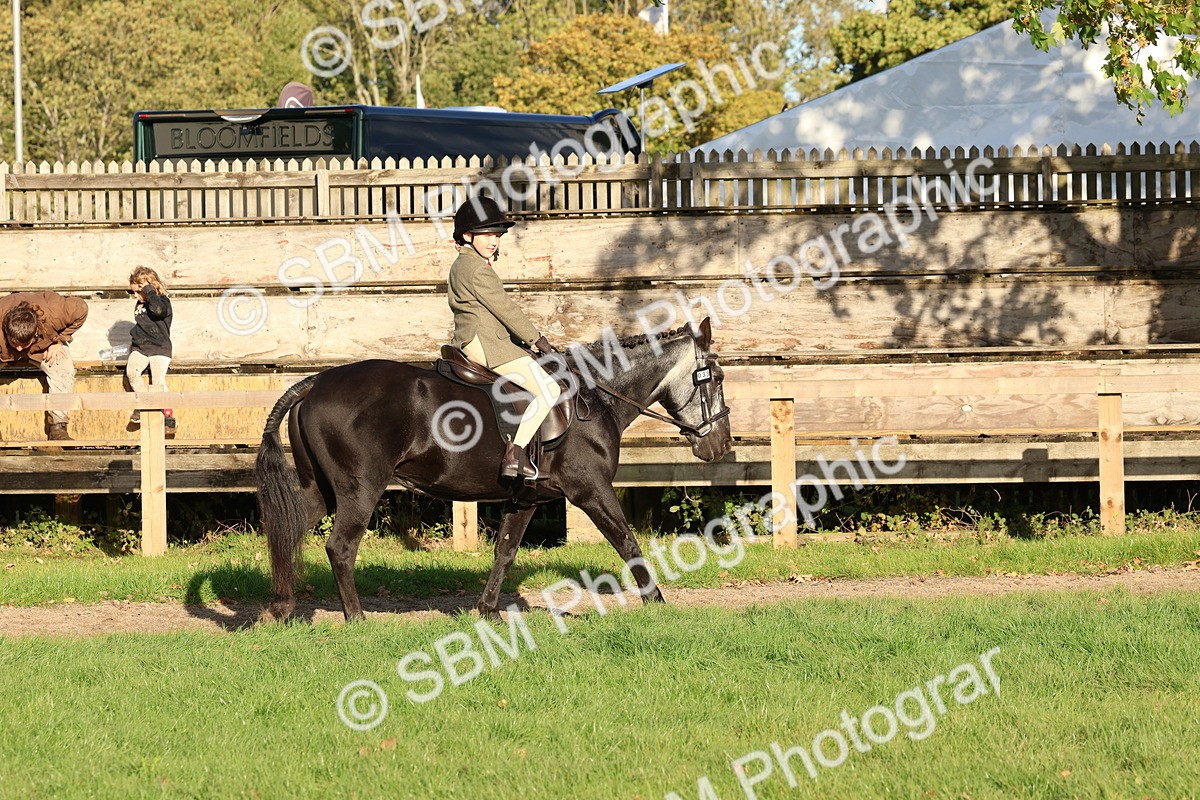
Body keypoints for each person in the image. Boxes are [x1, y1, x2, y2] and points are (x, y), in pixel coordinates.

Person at [447, 195, 560, 481]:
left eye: (496, 235)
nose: (493, 241)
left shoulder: (464, 264)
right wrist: (538, 340)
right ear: (467, 235)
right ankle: (515, 455)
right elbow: (506, 309)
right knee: (550, 391)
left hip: (477, 337)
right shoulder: (476, 269)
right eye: (486, 234)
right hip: (486, 342)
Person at [0, 291, 89, 441]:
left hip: (43, 348)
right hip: (3, 351)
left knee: (63, 368)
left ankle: (58, 427)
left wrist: (59, 340)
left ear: (35, 332)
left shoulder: (55, 312)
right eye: (15, 343)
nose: (20, 349)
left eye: (24, 344)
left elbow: (82, 308)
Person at [125, 267, 175, 434]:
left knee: (158, 381)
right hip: (141, 347)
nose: (136, 296)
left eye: (139, 291)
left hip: (160, 347)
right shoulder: (140, 303)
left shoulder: (162, 301)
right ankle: (143, 404)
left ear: (150, 287)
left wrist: (149, 291)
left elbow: (158, 311)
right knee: (132, 373)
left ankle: (168, 416)